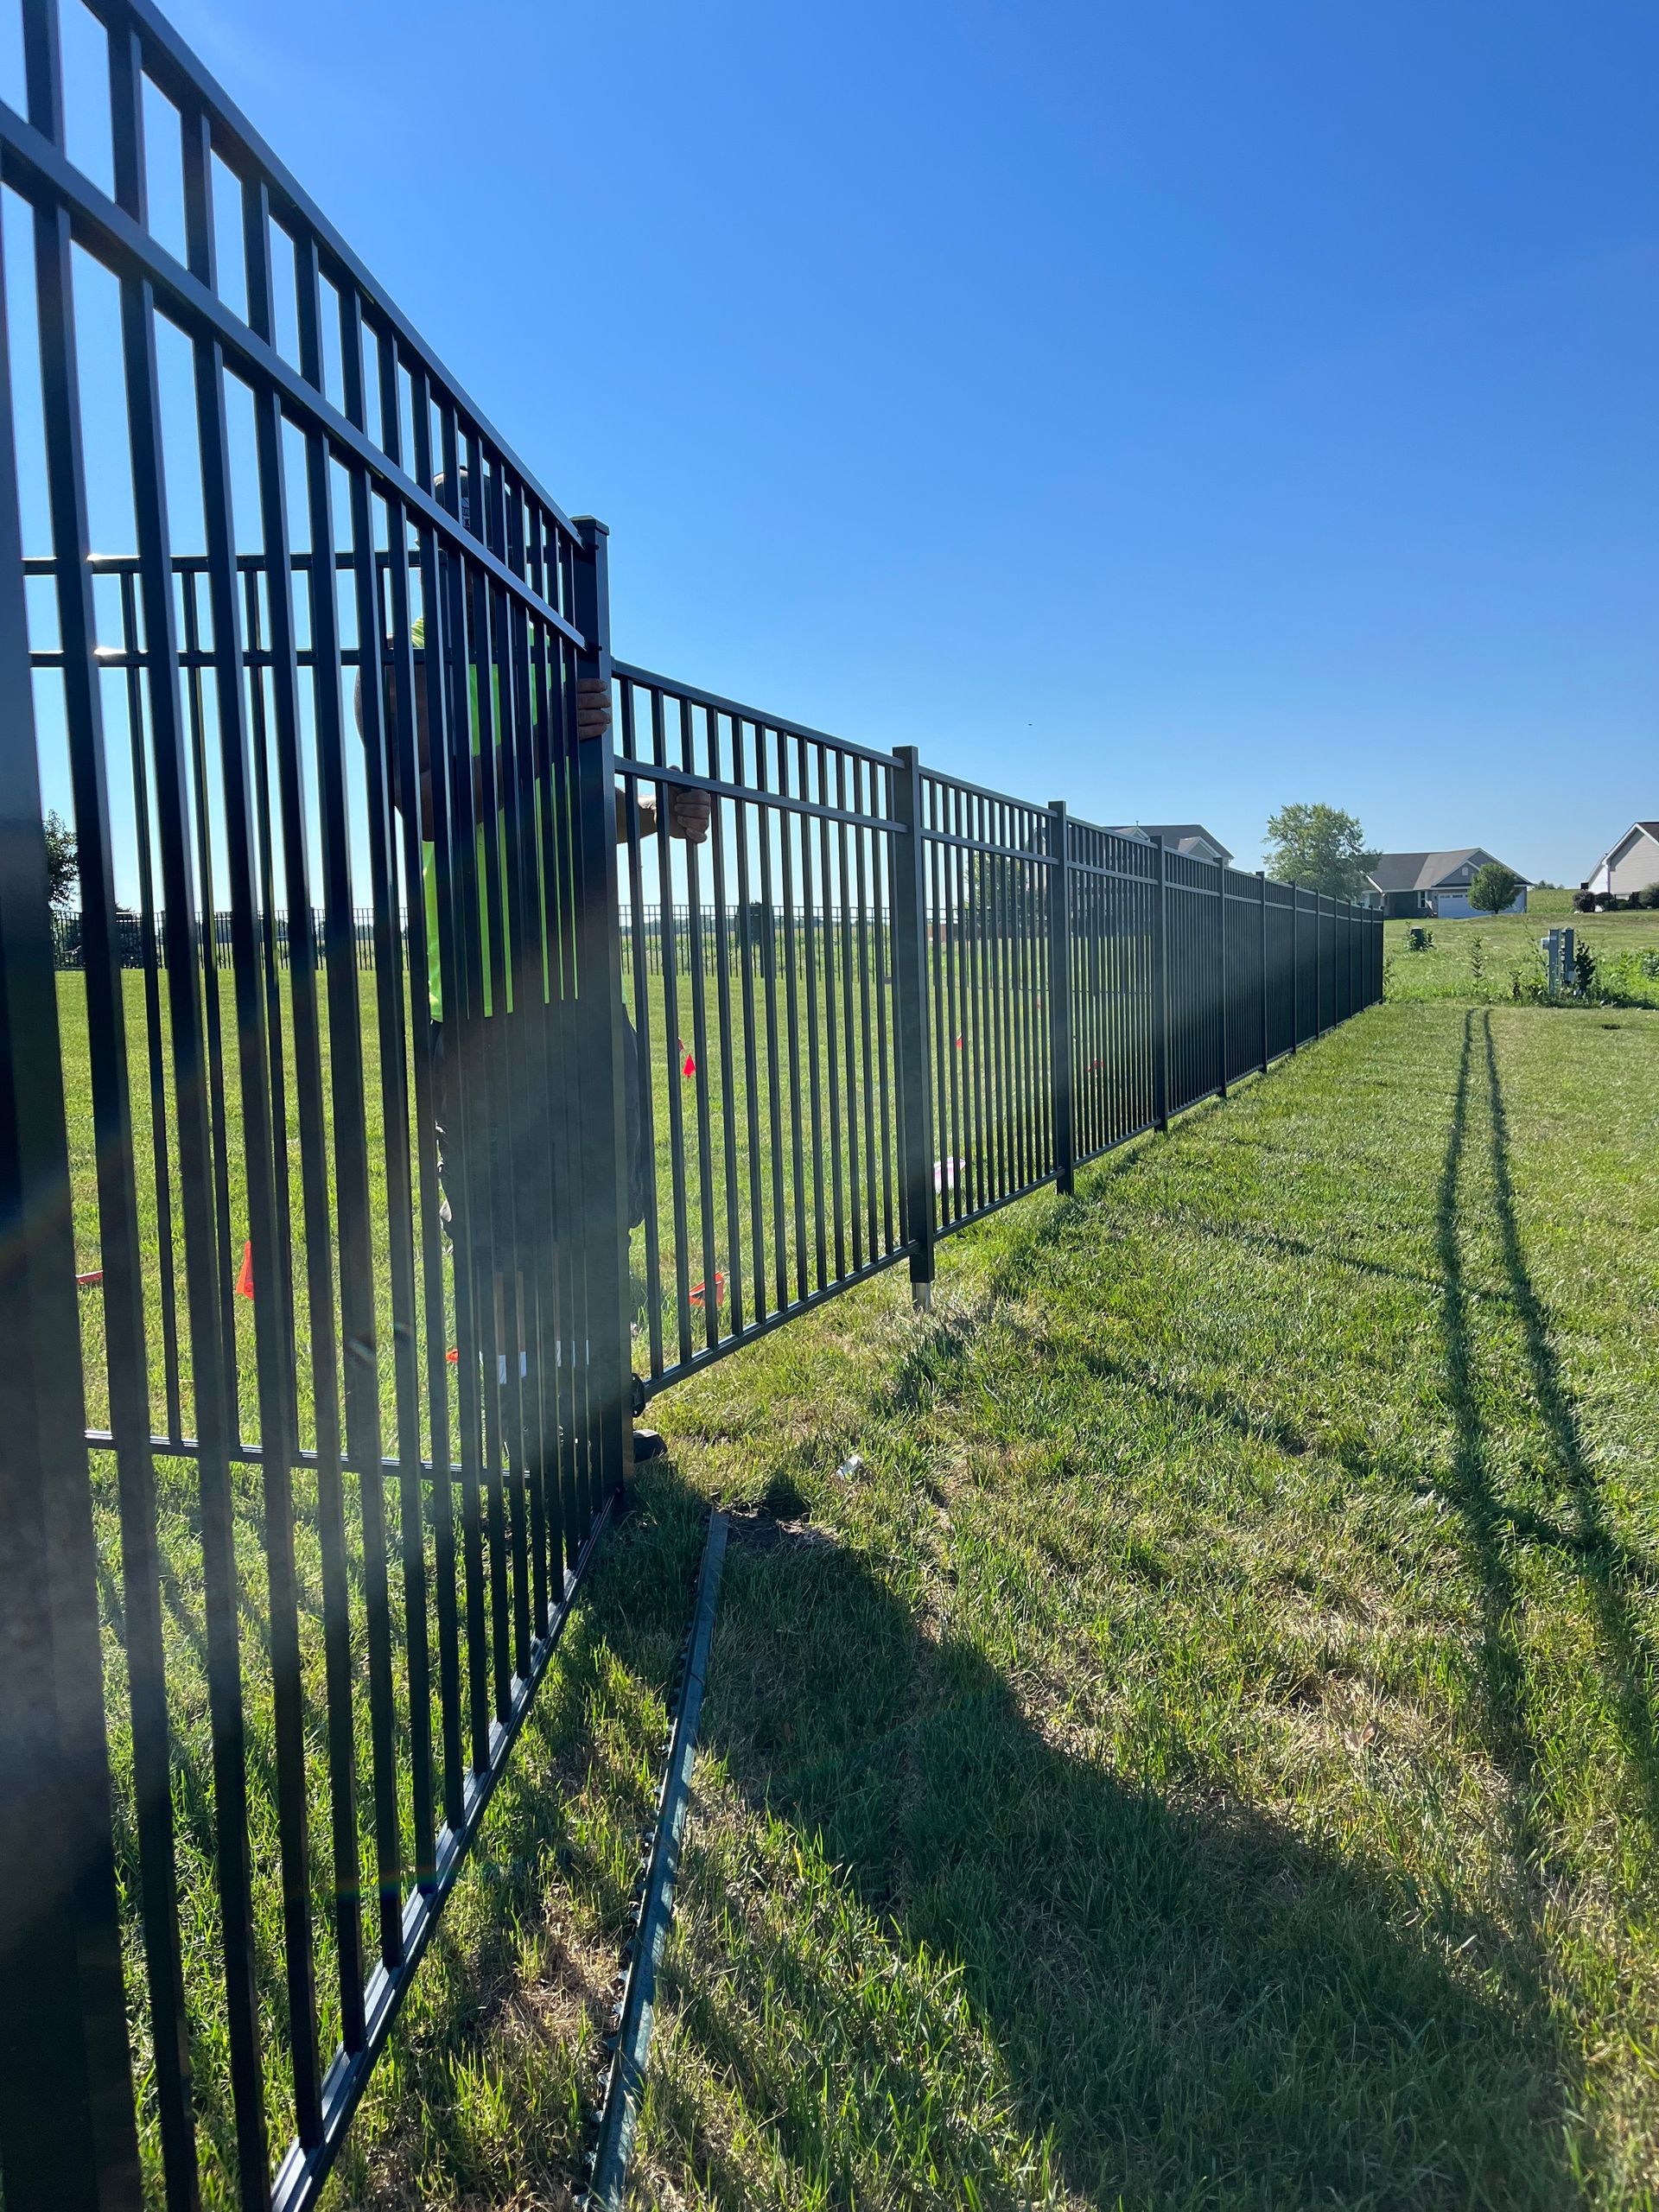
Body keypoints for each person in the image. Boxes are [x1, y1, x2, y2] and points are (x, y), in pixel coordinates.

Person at [357, 515, 708, 1470]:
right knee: (499, 1228)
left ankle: (593, 1414)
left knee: (589, 1211)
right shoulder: (403, 660)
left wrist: (654, 813)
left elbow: (576, 805)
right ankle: (509, 1428)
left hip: (581, 995)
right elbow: (426, 804)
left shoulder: (555, 648)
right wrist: (553, 730)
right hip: (475, 1003)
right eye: (468, 541)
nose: (493, 561)